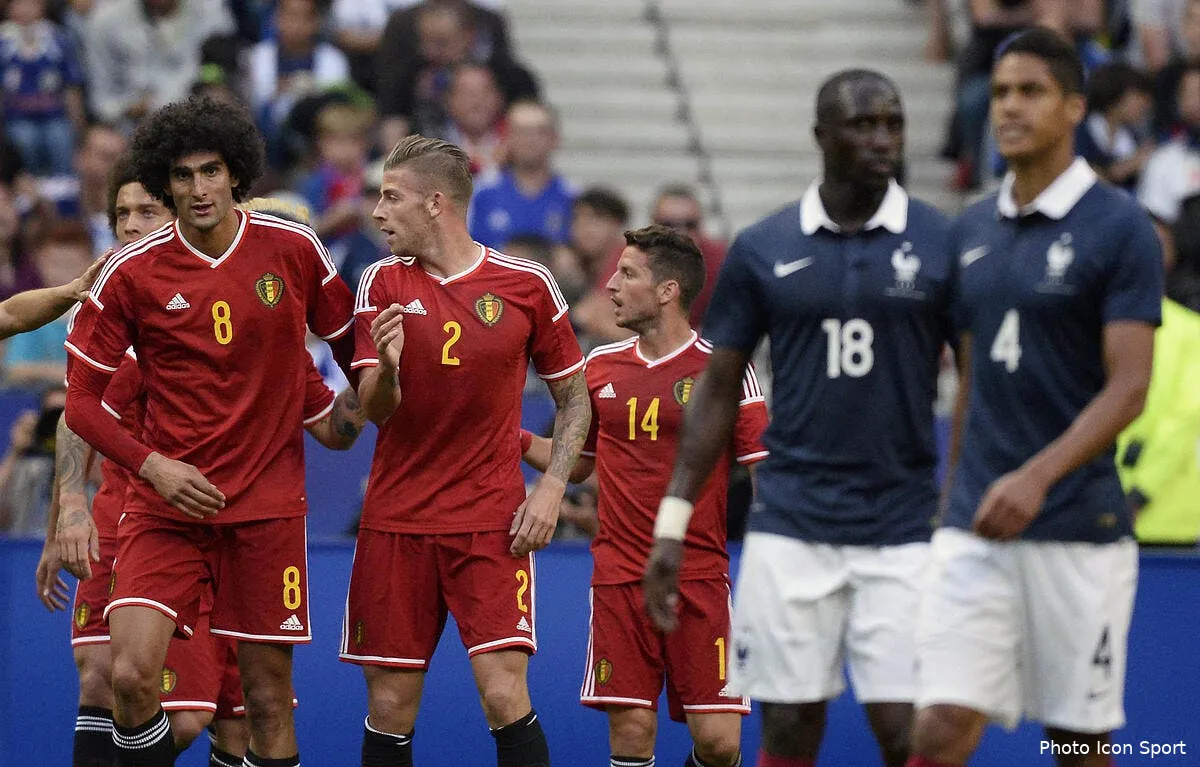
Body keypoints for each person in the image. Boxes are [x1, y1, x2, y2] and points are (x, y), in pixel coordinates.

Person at [644, 69, 957, 767]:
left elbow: (973, 381)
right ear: (821, 136)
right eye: (863, 124)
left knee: (908, 731)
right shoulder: (764, 245)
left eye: (894, 124)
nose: (883, 139)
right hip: (792, 521)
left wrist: (958, 500)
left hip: (900, 523)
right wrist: (674, 519)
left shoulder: (941, 241)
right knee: (787, 725)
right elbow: (717, 391)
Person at [61, 95, 358, 767]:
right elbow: (79, 405)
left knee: (263, 703)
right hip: (165, 506)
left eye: (212, 171)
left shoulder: (293, 250)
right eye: (184, 175)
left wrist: (383, 387)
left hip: (265, 510)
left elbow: (354, 367)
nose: (199, 187)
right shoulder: (131, 273)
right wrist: (152, 467)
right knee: (129, 678)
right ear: (166, 182)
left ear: (236, 174)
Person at [907, 28, 1163, 767]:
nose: (1009, 107)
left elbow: (1132, 385)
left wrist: (1037, 476)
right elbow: (971, 374)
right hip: (974, 529)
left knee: (1077, 743)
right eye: (1002, 92)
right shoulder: (974, 227)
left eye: (1031, 92)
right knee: (941, 725)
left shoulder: (1120, 226)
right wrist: (955, 497)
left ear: (1074, 107)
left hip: (1079, 525)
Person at [344, 134, 589, 767]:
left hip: (489, 520)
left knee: (503, 694)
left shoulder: (527, 283)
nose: (376, 212)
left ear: (435, 203)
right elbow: (374, 411)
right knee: (391, 706)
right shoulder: (380, 282)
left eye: (390, 198)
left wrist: (554, 489)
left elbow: (577, 400)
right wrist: (391, 370)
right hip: (397, 519)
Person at [521, 224, 768, 767]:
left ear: (667, 291)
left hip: (698, 575)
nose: (611, 285)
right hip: (618, 574)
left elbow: (763, 467)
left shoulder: (724, 370)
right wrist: (510, 436)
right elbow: (579, 463)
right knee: (631, 735)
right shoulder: (601, 367)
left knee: (719, 743)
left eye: (627, 273)